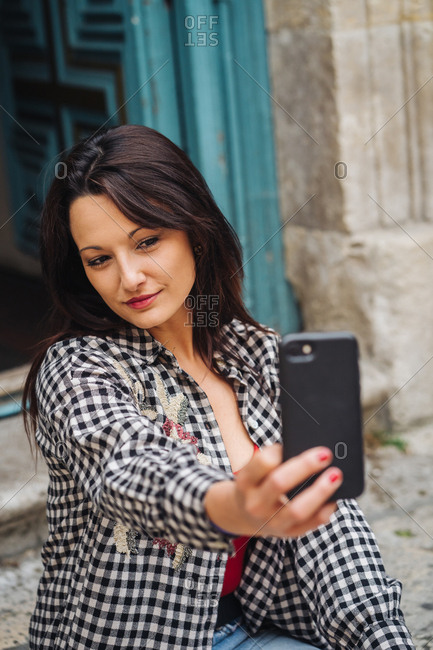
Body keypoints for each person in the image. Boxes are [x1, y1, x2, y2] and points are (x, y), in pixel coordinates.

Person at [23, 124, 414, 649]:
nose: (130, 276)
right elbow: (128, 469)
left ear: (195, 234)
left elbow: (334, 532)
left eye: (147, 241)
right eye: (100, 259)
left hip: (257, 627)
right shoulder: (77, 368)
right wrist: (229, 503)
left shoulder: (257, 353)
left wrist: (382, 638)